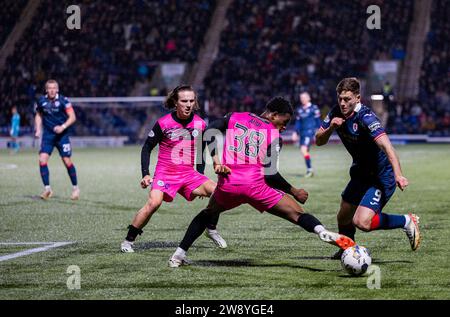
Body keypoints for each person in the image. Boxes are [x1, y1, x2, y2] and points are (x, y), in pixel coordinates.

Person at [168, 96, 356, 267]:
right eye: (285, 122)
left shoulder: (235, 117)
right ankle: (321, 230)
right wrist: (294, 190)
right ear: (274, 115)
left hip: (229, 184)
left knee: (207, 214)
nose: (284, 127)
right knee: (297, 214)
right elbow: (270, 175)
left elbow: (208, 131)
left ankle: (178, 255)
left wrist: (216, 160)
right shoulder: (275, 137)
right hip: (256, 187)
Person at [315, 77, 421, 259]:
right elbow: (318, 140)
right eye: (340, 98)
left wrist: (399, 175)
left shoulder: (366, 117)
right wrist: (331, 127)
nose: (342, 103)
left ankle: (406, 221)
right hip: (360, 172)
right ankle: (347, 249)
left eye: (347, 99)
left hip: (381, 175)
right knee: (343, 217)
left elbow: (387, 147)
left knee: (361, 222)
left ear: (358, 98)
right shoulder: (335, 113)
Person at [120, 85, 227, 253]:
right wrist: (145, 174)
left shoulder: (199, 123)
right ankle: (128, 240)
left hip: (188, 174)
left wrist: (210, 167)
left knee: (219, 192)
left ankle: (211, 229)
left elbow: (206, 145)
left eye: (191, 101)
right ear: (175, 103)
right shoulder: (163, 123)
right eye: (184, 101)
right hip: (165, 174)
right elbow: (147, 147)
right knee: (153, 203)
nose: (188, 104)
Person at [34, 80, 80, 200]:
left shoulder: (63, 101)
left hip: (62, 136)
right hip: (48, 136)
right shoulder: (41, 101)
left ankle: (75, 188)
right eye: (50, 88)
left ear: (57, 89)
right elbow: (38, 114)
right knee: (42, 160)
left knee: (67, 161)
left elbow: (73, 117)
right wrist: (38, 129)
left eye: (54, 88)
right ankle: (47, 189)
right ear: (46, 90)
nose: (52, 90)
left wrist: (63, 127)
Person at [293, 92, 321, 177]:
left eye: (304, 97)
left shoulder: (314, 108)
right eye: (301, 98)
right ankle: (309, 170)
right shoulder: (299, 109)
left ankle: (309, 170)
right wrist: (295, 132)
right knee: (305, 152)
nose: (302, 99)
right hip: (302, 133)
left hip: (309, 132)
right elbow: (298, 122)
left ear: (309, 98)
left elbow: (318, 120)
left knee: (303, 150)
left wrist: (320, 130)